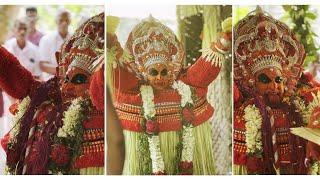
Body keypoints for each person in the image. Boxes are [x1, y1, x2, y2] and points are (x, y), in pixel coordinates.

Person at [108, 16, 231, 175]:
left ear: (170, 70)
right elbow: (120, 77)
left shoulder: (184, 84)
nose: (159, 78)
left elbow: (200, 74)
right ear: (144, 72)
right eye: (154, 72)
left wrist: (221, 46)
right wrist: (112, 51)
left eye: (163, 72)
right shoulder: (133, 86)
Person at [0, 13, 104, 175]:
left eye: (78, 80)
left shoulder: (106, 104)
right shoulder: (51, 94)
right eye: (66, 79)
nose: (66, 87)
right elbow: (25, 84)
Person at [233, 7, 320, 175]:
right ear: (251, 82)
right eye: (265, 80)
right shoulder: (242, 114)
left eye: (279, 80)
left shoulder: (300, 104)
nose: (275, 87)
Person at [39, 8, 71, 80]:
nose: (64, 23)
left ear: (70, 21)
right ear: (56, 21)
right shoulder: (46, 40)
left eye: (67, 20)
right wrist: (63, 72)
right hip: (51, 80)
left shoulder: (75, 39)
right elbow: (43, 65)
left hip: (71, 81)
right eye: (61, 20)